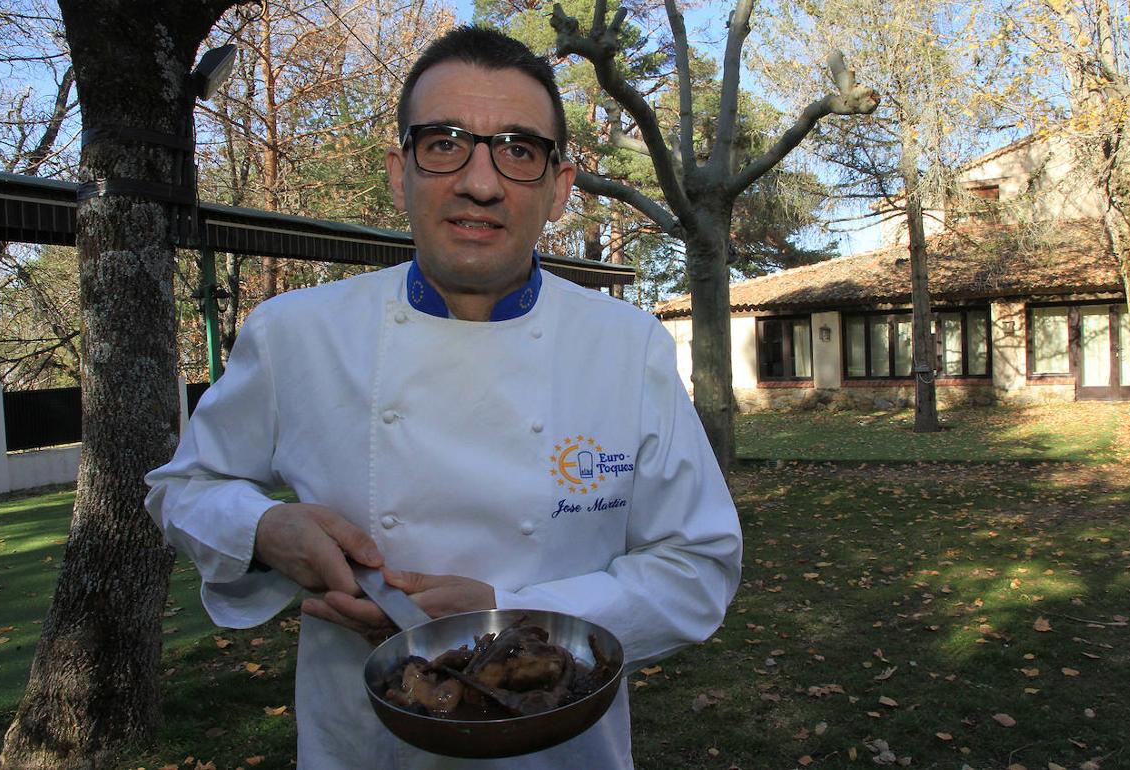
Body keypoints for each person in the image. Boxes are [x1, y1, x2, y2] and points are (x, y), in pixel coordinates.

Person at [145, 25, 742, 770]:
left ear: (560, 188)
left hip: (562, 751)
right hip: (362, 747)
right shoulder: (295, 334)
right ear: (400, 173)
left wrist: (514, 618)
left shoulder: (627, 347)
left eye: (519, 150)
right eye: (445, 142)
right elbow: (184, 489)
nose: (481, 182)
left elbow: (699, 565)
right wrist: (265, 528)